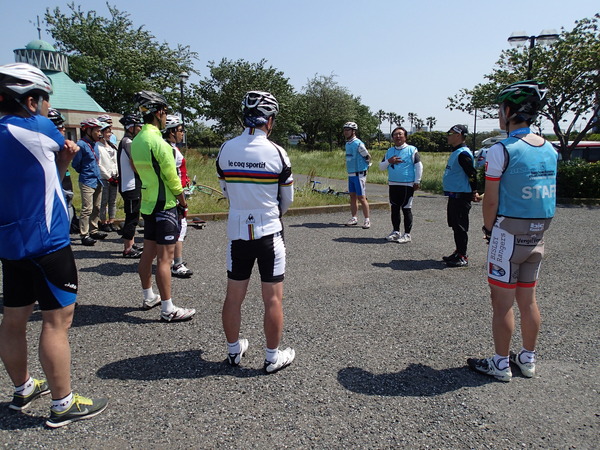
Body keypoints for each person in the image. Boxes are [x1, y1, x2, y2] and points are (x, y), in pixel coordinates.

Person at [0, 62, 107, 428]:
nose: (49, 107)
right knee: (56, 322)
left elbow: (40, 177)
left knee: (13, 319)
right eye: (45, 99)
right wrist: (66, 153)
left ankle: (23, 387)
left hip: (10, 242)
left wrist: (60, 163)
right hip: (48, 242)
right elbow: (71, 149)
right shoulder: (36, 127)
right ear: (30, 101)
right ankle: (63, 403)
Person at [467, 80, 557, 382]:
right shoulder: (550, 149)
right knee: (528, 300)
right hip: (538, 232)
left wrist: (488, 229)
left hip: (508, 232)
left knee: (501, 300)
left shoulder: (501, 150)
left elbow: (490, 199)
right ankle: (527, 359)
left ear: (508, 110)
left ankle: (501, 363)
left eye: (499, 110)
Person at [216, 91, 295, 373]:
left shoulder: (226, 148)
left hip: (238, 231)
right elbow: (288, 200)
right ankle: (272, 357)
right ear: (269, 120)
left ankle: (234, 351)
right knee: (272, 298)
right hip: (269, 232)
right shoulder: (277, 152)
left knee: (233, 296)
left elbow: (225, 190)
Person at [131, 90, 196, 320]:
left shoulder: (137, 139)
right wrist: (183, 201)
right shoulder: (158, 141)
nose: (166, 116)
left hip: (148, 203)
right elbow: (172, 178)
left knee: (147, 254)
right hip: (165, 204)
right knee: (165, 260)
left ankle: (149, 296)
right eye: (165, 112)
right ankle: (168, 309)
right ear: (158, 112)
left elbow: (137, 170)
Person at [442, 124, 480, 267]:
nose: (448, 136)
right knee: (455, 225)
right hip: (454, 195)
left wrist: (474, 191)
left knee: (460, 226)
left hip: (461, 196)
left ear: (458, 135)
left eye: (450, 133)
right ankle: (458, 252)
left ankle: (462, 256)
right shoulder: (456, 152)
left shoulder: (463, 153)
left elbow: (472, 173)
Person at [378, 126, 422, 243]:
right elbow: (381, 167)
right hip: (393, 183)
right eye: (395, 134)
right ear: (392, 137)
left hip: (407, 184)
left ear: (405, 137)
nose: (398, 136)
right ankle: (396, 232)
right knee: (394, 208)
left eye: (400, 134)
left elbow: (418, 166)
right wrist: (389, 161)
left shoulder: (412, 150)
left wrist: (417, 181)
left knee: (406, 208)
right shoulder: (389, 151)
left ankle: (407, 234)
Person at [163, 115, 193, 278]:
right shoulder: (171, 149)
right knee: (180, 228)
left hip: (175, 192)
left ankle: (173, 260)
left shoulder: (171, 146)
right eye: (180, 130)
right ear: (171, 132)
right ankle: (177, 264)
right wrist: (182, 200)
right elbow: (172, 176)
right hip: (174, 194)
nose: (183, 133)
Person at [71, 118, 108, 246]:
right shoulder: (81, 145)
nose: (99, 133)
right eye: (97, 131)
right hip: (87, 180)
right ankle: (84, 234)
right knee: (87, 208)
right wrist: (85, 171)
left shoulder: (95, 144)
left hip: (97, 179)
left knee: (96, 207)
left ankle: (94, 230)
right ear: (88, 130)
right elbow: (76, 164)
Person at [117, 113, 144, 258]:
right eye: (138, 126)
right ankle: (127, 248)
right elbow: (135, 162)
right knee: (132, 217)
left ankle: (132, 243)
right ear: (131, 127)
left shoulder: (128, 141)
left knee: (134, 214)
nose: (140, 128)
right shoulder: (128, 142)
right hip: (130, 185)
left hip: (132, 185)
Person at [343, 122, 371, 229]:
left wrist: (365, 167)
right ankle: (354, 218)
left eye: (348, 130)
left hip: (359, 174)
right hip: (351, 174)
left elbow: (367, 156)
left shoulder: (358, 143)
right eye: (345, 130)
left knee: (361, 197)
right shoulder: (347, 143)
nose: (346, 132)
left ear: (353, 131)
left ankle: (367, 220)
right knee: (352, 197)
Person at [96, 122, 119, 233]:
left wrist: (117, 174)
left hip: (114, 176)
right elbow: (99, 164)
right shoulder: (98, 146)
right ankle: (103, 221)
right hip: (104, 177)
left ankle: (111, 220)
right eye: (107, 132)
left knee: (113, 200)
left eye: (110, 132)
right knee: (103, 200)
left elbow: (115, 162)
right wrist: (108, 176)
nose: (109, 134)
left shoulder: (112, 145)